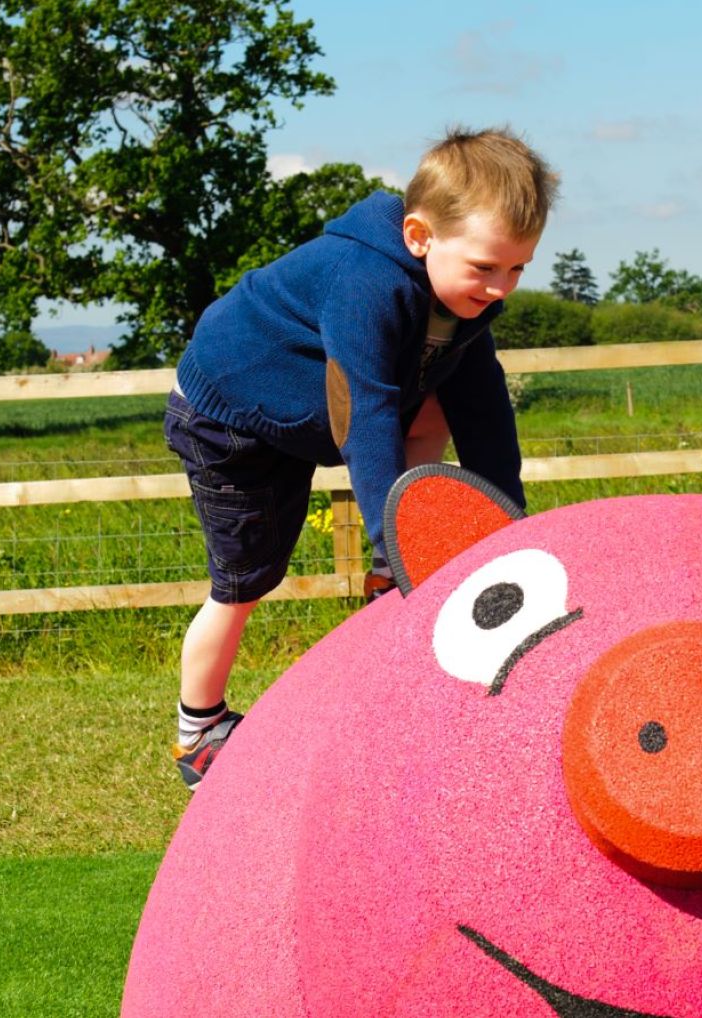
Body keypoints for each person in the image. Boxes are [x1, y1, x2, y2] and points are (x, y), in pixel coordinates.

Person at [162, 127, 555, 789]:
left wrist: (507, 527)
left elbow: (482, 407)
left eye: (517, 268)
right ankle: (199, 731)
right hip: (229, 417)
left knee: (437, 401)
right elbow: (363, 411)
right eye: (486, 267)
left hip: (302, 411)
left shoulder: (465, 300)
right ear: (418, 237)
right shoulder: (366, 282)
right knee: (246, 581)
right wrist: (395, 536)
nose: (501, 287)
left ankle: (388, 568)